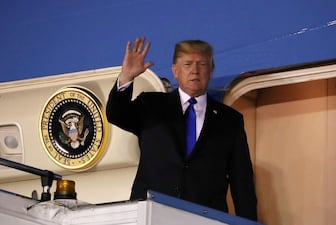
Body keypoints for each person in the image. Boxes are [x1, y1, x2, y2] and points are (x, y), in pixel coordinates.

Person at [106, 37, 257, 220]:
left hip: (206, 220)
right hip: (152, 216)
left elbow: (242, 183)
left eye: (202, 64)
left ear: (211, 71)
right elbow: (116, 114)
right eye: (187, 64)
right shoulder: (152, 105)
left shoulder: (230, 120)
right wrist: (126, 78)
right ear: (175, 71)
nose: (195, 70)